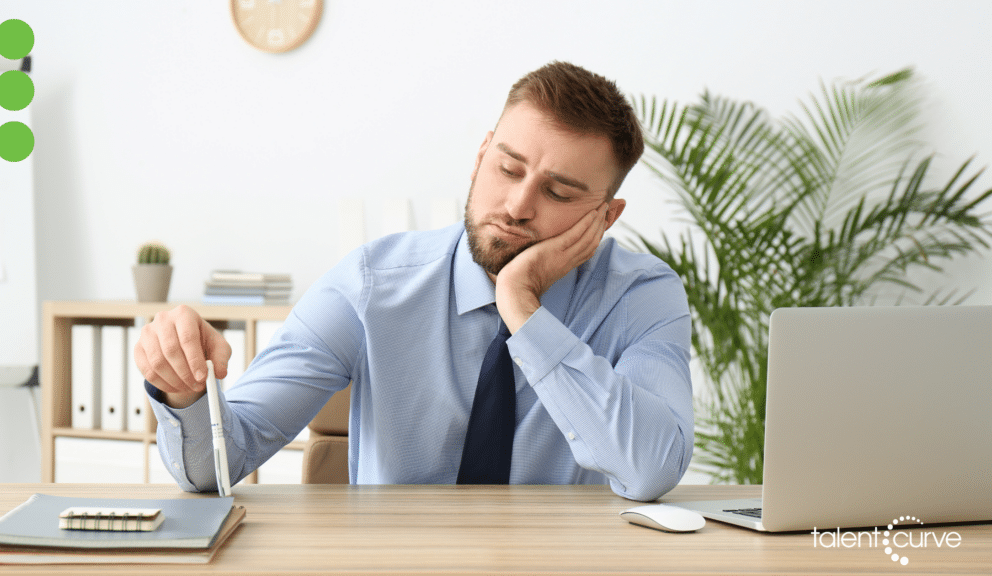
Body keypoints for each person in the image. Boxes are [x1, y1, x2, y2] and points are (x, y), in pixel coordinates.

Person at [135, 61, 694, 501]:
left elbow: (650, 469)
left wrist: (523, 310)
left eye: (559, 192)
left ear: (606, 217)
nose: (518, 205)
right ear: (481, 156)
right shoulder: (370, 284)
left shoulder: (641, 296)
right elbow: (218, 465)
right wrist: (184, 393)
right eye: (508, 168)